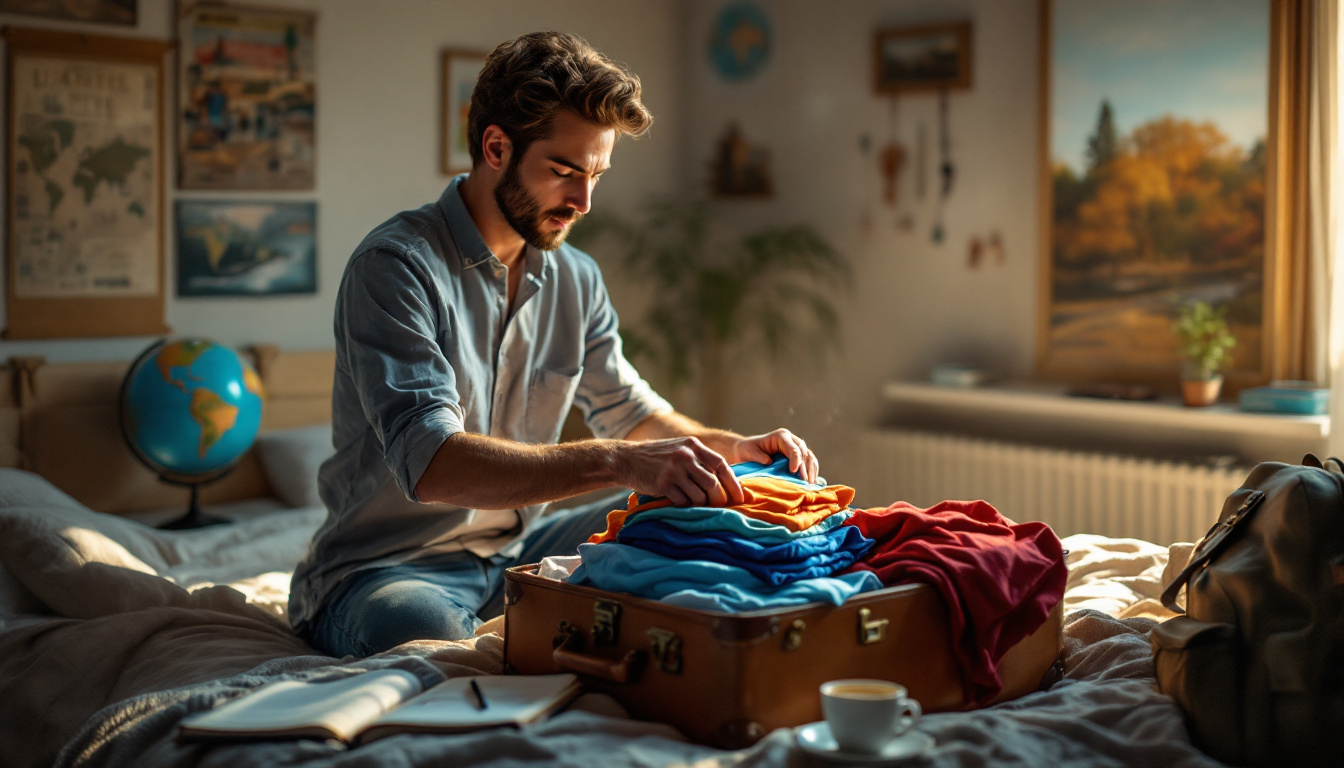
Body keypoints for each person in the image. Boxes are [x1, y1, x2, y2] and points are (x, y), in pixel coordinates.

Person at [290, 31, 820, 657]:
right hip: (385, 570)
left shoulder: (576, 277)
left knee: (705, 520)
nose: (584, 201)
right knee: (446, 650)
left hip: (520, 552)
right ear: (496, 147)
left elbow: (632, 412)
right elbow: (431, 463)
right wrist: (619, 462)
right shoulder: (396, 268)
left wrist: (733, 447)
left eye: (596, 174)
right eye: (565, 172)